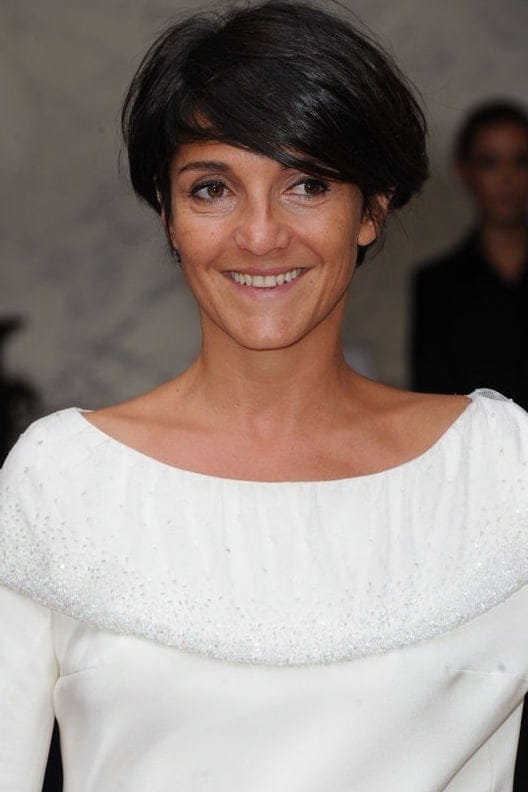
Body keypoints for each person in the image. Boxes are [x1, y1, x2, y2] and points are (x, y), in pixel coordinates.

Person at [1, 3, 528, 790]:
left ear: (373, 208)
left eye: (307, 184)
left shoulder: (496, 470)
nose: (259, 234)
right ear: (169, 215)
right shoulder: (64, 480)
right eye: (212, 188)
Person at [411, 100, 528, 407]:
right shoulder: (437, 285)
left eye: (520, 161)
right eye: (490, 162)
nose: (507, 179)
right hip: (472, 438)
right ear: (463, 170)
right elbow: (432, 400)